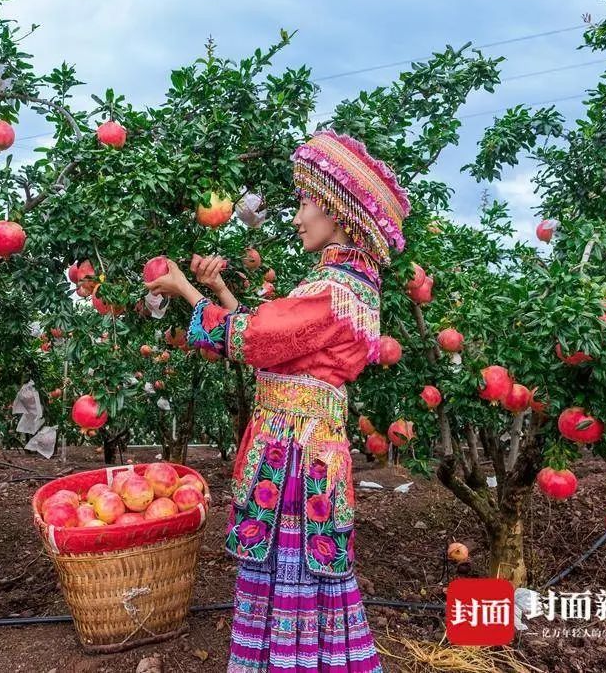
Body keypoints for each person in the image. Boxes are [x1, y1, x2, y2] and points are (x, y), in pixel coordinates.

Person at [145, 130, 410, 672]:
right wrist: (220, 294)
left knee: (295, 567)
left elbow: (258, 339)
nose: (296, 218)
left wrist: (188, 293)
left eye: (305, 204)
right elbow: (279, 347)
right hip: (300, 448)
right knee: (301, 575)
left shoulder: (335, 292)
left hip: (296, 456)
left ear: (336, 212)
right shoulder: (343, 286)